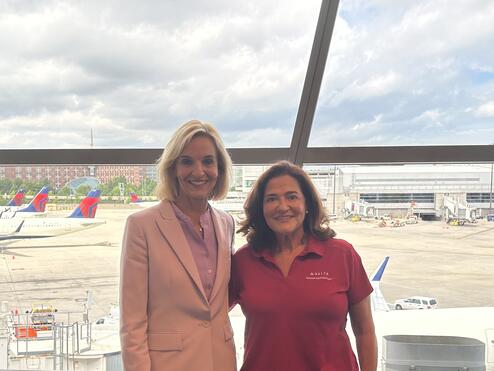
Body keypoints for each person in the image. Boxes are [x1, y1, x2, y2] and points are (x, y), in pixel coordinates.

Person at [230, 160, 377, 371]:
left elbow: (365, 332)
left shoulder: (342, 255)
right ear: (261, 209)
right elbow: (208, 319)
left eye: (291, 196)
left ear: (307, 204)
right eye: (272, 199)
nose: (282, 207)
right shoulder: (243, 261)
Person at [120, 120, 236, 371]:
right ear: (173, 169)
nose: (198, 171)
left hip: (221, 361)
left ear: (219, 169)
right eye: (187, 161)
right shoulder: (143, 226)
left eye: (208, 161)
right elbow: (132, 321)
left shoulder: (226, 224)